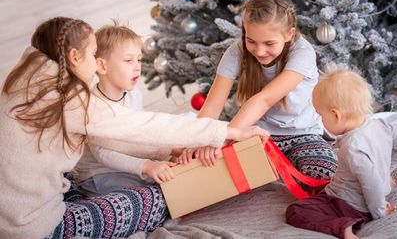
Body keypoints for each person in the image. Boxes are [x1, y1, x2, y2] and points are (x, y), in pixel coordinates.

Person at [0, 17, 268, 239]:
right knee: (166, 198)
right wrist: (230, 132)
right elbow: (143, 127)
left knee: (73, 180)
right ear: (73, 56)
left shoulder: (24, 81)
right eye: (93, 55)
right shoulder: (73, 102)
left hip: (10, 211)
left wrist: (170, 150)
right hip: (29, 228)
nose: (97, 64)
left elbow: (130, 131)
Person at [178, 0, 337, 180]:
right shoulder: (236, 51)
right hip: (255, 135)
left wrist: (222, 138)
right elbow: (213, 105)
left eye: (269, 43)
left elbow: (264, 100)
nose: (260, 51)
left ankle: (277, 170)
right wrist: (200, 140)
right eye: (251, 41)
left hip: (303, 133)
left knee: (323, 171)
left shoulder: (302, 52)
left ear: (289, 34)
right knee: (204, 164)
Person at [286, 66, 397, 239]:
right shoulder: (380, 125)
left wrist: (379, 211)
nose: (320, 120)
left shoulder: (352, 149)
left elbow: (372, 183)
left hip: (349, 206)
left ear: (336, 115)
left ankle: (342, 228)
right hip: (359, 198)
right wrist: (387, 172)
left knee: (296, 211)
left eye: (320, 116)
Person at [72, 23, 177, 197]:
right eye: (129, 60)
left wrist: (168, 151)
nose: (137, 67)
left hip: (131, 164)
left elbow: (140, 132)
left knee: (169, 177)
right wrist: (147, 166)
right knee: (148, 194)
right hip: (101, 175)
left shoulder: (134, 94)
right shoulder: (94, 106)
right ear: (102, 66)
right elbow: (105, 154)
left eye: (139, 59)